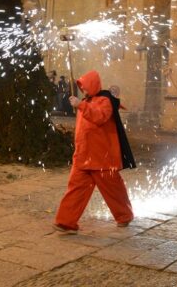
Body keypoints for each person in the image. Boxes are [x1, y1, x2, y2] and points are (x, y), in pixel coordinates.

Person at [53, 70, 134, 233]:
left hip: (102, 157)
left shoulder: (105, 100)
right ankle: (66, 221)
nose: (83, 90)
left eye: (85, 86)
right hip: (83, 156)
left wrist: (80, 105)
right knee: (75, 189)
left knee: (114, 190)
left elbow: (99, 117)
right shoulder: (86, 101)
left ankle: (124, 216)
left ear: (93, 84)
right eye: (81, 87)